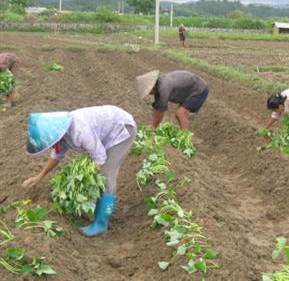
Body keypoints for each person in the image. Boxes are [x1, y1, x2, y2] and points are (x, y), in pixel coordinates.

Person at [22, 105, 137, 237]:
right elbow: (56, 155)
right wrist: (39, 176)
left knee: (106, 173)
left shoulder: (80, 131)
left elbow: (100, 159)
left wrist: (82, 179)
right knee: (101, 173)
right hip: (106, 131)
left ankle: (101, 224)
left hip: (122, 129)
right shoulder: (61, 132)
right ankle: (106, 207)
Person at [136, 70, 208, 130]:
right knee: (181, 114)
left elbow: (161, 111)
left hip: (199, 89)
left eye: (148, 91)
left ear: (152, 86)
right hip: (187, 89)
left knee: (180, 113)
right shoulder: (159, 84)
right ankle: (183, 134)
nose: (149, 94)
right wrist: (152, 126)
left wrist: (152, 128)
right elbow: (157, 108)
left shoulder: (163, 88)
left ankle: (185, 139)